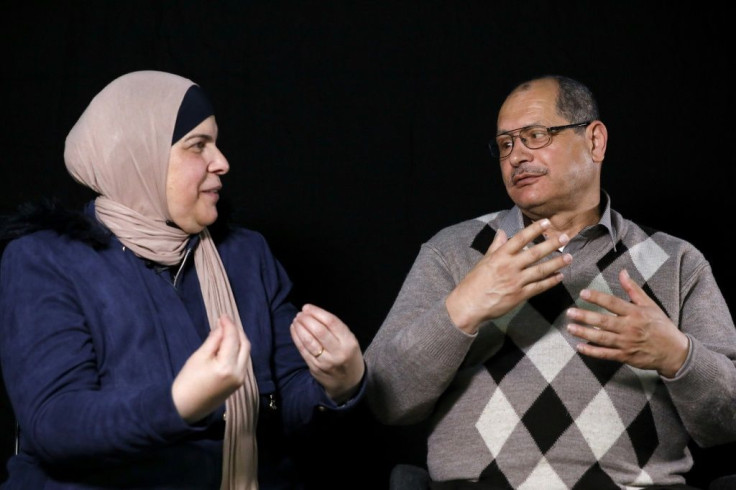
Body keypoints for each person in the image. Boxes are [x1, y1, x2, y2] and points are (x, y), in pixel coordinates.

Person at [361, 75, 736, 489]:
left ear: (595, 141)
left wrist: (676, 355)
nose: (516, 156)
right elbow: (385, 400)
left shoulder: (677, 262)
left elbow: (728, 424)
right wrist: (462, 309)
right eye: (505, 144)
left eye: (535, 135)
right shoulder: (453, 252)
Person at [0, 70, 365, 489]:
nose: (222, 161)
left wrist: (337, 384)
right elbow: (56, 426)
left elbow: (284, 406)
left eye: (216, 142)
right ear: (138, 157)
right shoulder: (44, 260)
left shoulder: (246, 255)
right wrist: (179, 403)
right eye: (198, 146)